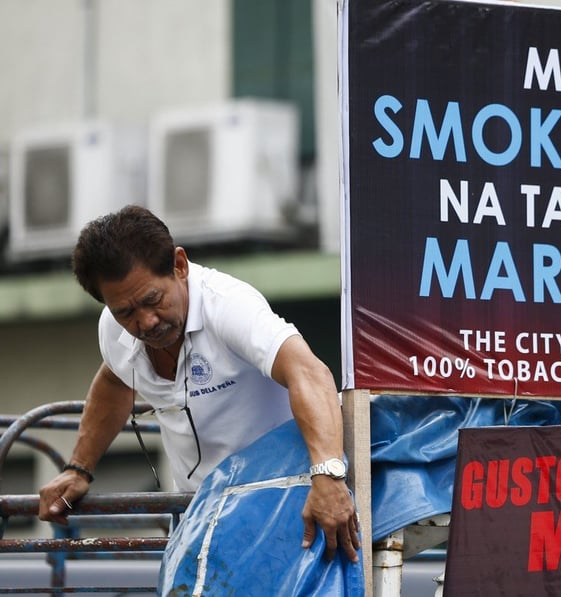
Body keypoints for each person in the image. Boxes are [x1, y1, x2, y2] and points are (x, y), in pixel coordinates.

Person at [36, 205, 360, 564]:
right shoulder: (113, 329)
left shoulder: (228, 306)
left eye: (152, 300)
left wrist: (329, 475)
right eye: (126, 312)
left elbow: (309, 373)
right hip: (198, 515)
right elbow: (115, 381)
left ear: (179, 265)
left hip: (286, 510)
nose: (146, 322)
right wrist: (79, 468)